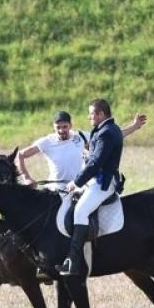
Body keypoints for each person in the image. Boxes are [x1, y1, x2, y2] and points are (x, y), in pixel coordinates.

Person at [59, 99, 124, 276]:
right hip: (96, 179)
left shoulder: (106, 133)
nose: (89, 117)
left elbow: (96, 164)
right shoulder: (106, 129)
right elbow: (96, 157)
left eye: (92, 114)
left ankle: (73, 261)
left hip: (103, 182)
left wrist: (76, 182)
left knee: (80, 212)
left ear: (101, 114)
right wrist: (88, 154)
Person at [17, 109, 146, 191]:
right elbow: (21, 155)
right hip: (55, 190)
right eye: (58, 128)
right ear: (53, 127)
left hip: (77, 188)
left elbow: (110, 137)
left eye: (65, 126)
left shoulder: (81, 137)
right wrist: (26, 178)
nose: (62, 130)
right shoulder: (47, 142)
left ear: (70, 125)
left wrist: (134, 127)